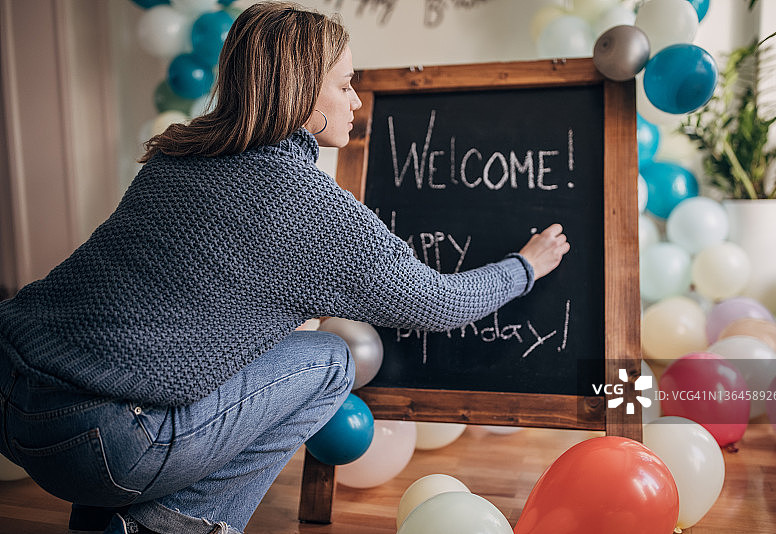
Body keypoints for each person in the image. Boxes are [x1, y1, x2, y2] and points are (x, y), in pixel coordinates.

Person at [0, 3, 569, 534]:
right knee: (329, 359)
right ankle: (168, 524)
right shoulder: (305, 207)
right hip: (105, 445)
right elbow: (439, 304)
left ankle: (109, 520)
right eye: (344, 86)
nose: (357, 102)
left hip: (15, 400)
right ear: (299, 96)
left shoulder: (176, 156)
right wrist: (523, 267)